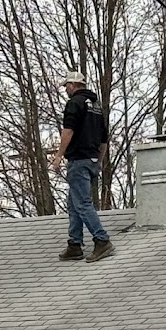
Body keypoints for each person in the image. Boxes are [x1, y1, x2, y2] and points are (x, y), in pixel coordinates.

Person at [51, 70, 114, 263]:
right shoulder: (96, 106)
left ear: (73, 85)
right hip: (92, 159)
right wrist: (99, 161)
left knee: (82, 203)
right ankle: (75, 244)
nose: (65, 89)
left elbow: (68, 131)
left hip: (78, 159)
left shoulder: (74, 103)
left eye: (66, 86)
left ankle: (101, 240)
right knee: (73, 204)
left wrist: (59, 156)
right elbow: (104, 139)